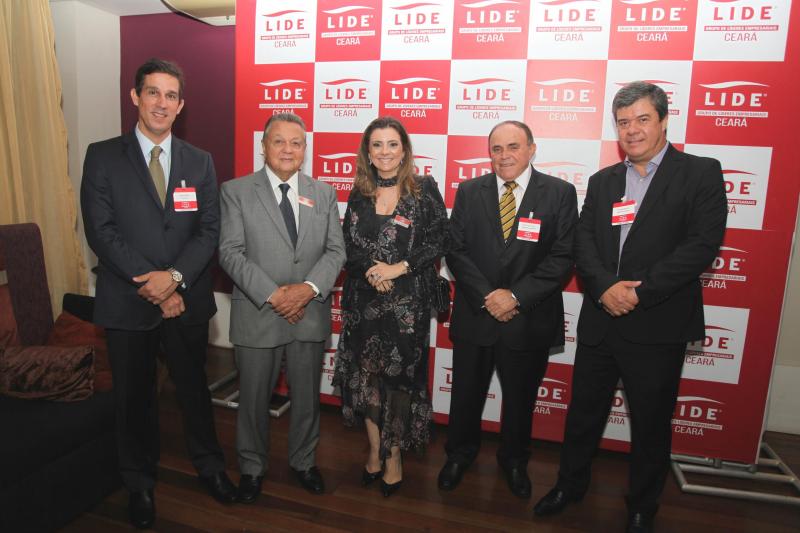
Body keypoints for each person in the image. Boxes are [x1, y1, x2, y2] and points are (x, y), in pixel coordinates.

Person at [533, 82, 727, 533]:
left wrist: (639, 292)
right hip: (602, 318)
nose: (632, 130)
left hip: (658, 321)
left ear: (663, 120)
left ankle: (642, 506)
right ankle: (569, 485)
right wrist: (605, 288)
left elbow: (702, 245)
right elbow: (583, 241)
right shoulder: (604, 181)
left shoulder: (700, 172)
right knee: (583, 414)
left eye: (642, 119)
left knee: (651, 424)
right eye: (623, 122)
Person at [80, 58, 236, 529]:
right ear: (136, 96)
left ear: (181, 105)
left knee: (193, 390)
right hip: (128, 300)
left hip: (186, 298)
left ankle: (210, 467)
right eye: (153, 92)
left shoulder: (199, 161)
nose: (161, 103)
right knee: (134, 398)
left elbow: (209, 230)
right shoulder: (102, 156)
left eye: (171, 95)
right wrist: (153, 281)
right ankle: (139, 483)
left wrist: (175, 279)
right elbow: (101, 231)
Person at [438, 120, 578, 498]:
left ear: (531, 149)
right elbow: (455, 249)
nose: (504, 156)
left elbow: (563, 256)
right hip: (477, 312)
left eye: (513, 147)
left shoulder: (560, 193)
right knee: (465, 394)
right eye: (496, 149)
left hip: (528, 316)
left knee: (520, 400)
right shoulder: (470, 191)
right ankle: (459, 454)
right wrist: (490, 296)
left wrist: (514, 296)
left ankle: (514, 461)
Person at [218, 113, 345, 504]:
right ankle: (252, 467)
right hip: (259, 312)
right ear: (263, 146)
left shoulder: (323, 193)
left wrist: (306, 290)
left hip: (309, 311)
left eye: (296, 142)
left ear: (305, 149)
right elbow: (230, 252)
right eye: (278, 141)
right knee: (253, 399)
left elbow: (336, 251)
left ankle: (304, 461)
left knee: (307, 398)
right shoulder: (236, 191)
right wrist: (275, 296)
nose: (287, 149)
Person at [333, 116, 448, 497]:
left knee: (397, 384)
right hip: (363, 301)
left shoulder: (424, 189)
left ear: (404, 150)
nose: (385, 152)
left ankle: (394, 456)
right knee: (366, 381)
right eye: (377, 145)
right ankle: (373, 451)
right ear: (368, 152)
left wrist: (398, 268)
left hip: (406, 306)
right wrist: (372, 270)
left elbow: (439, 240)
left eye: (392, 144)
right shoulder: (359, 192)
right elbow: (347, 246)